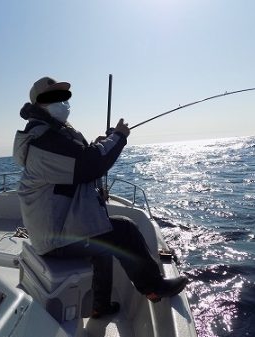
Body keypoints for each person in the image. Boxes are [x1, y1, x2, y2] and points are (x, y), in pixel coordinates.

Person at [13, 76, 188, 318]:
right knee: (125, 231)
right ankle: (154, 287)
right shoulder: (44, 140)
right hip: (54, 238)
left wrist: (104, 141)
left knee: (102, 241)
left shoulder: (50, 134)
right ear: (38, 103)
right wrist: (118, 137)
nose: (62, 103)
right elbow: (88, 165)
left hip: (55, 228)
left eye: (64, 97)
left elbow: (79, 158)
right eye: (53, 98)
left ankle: (100, 306)